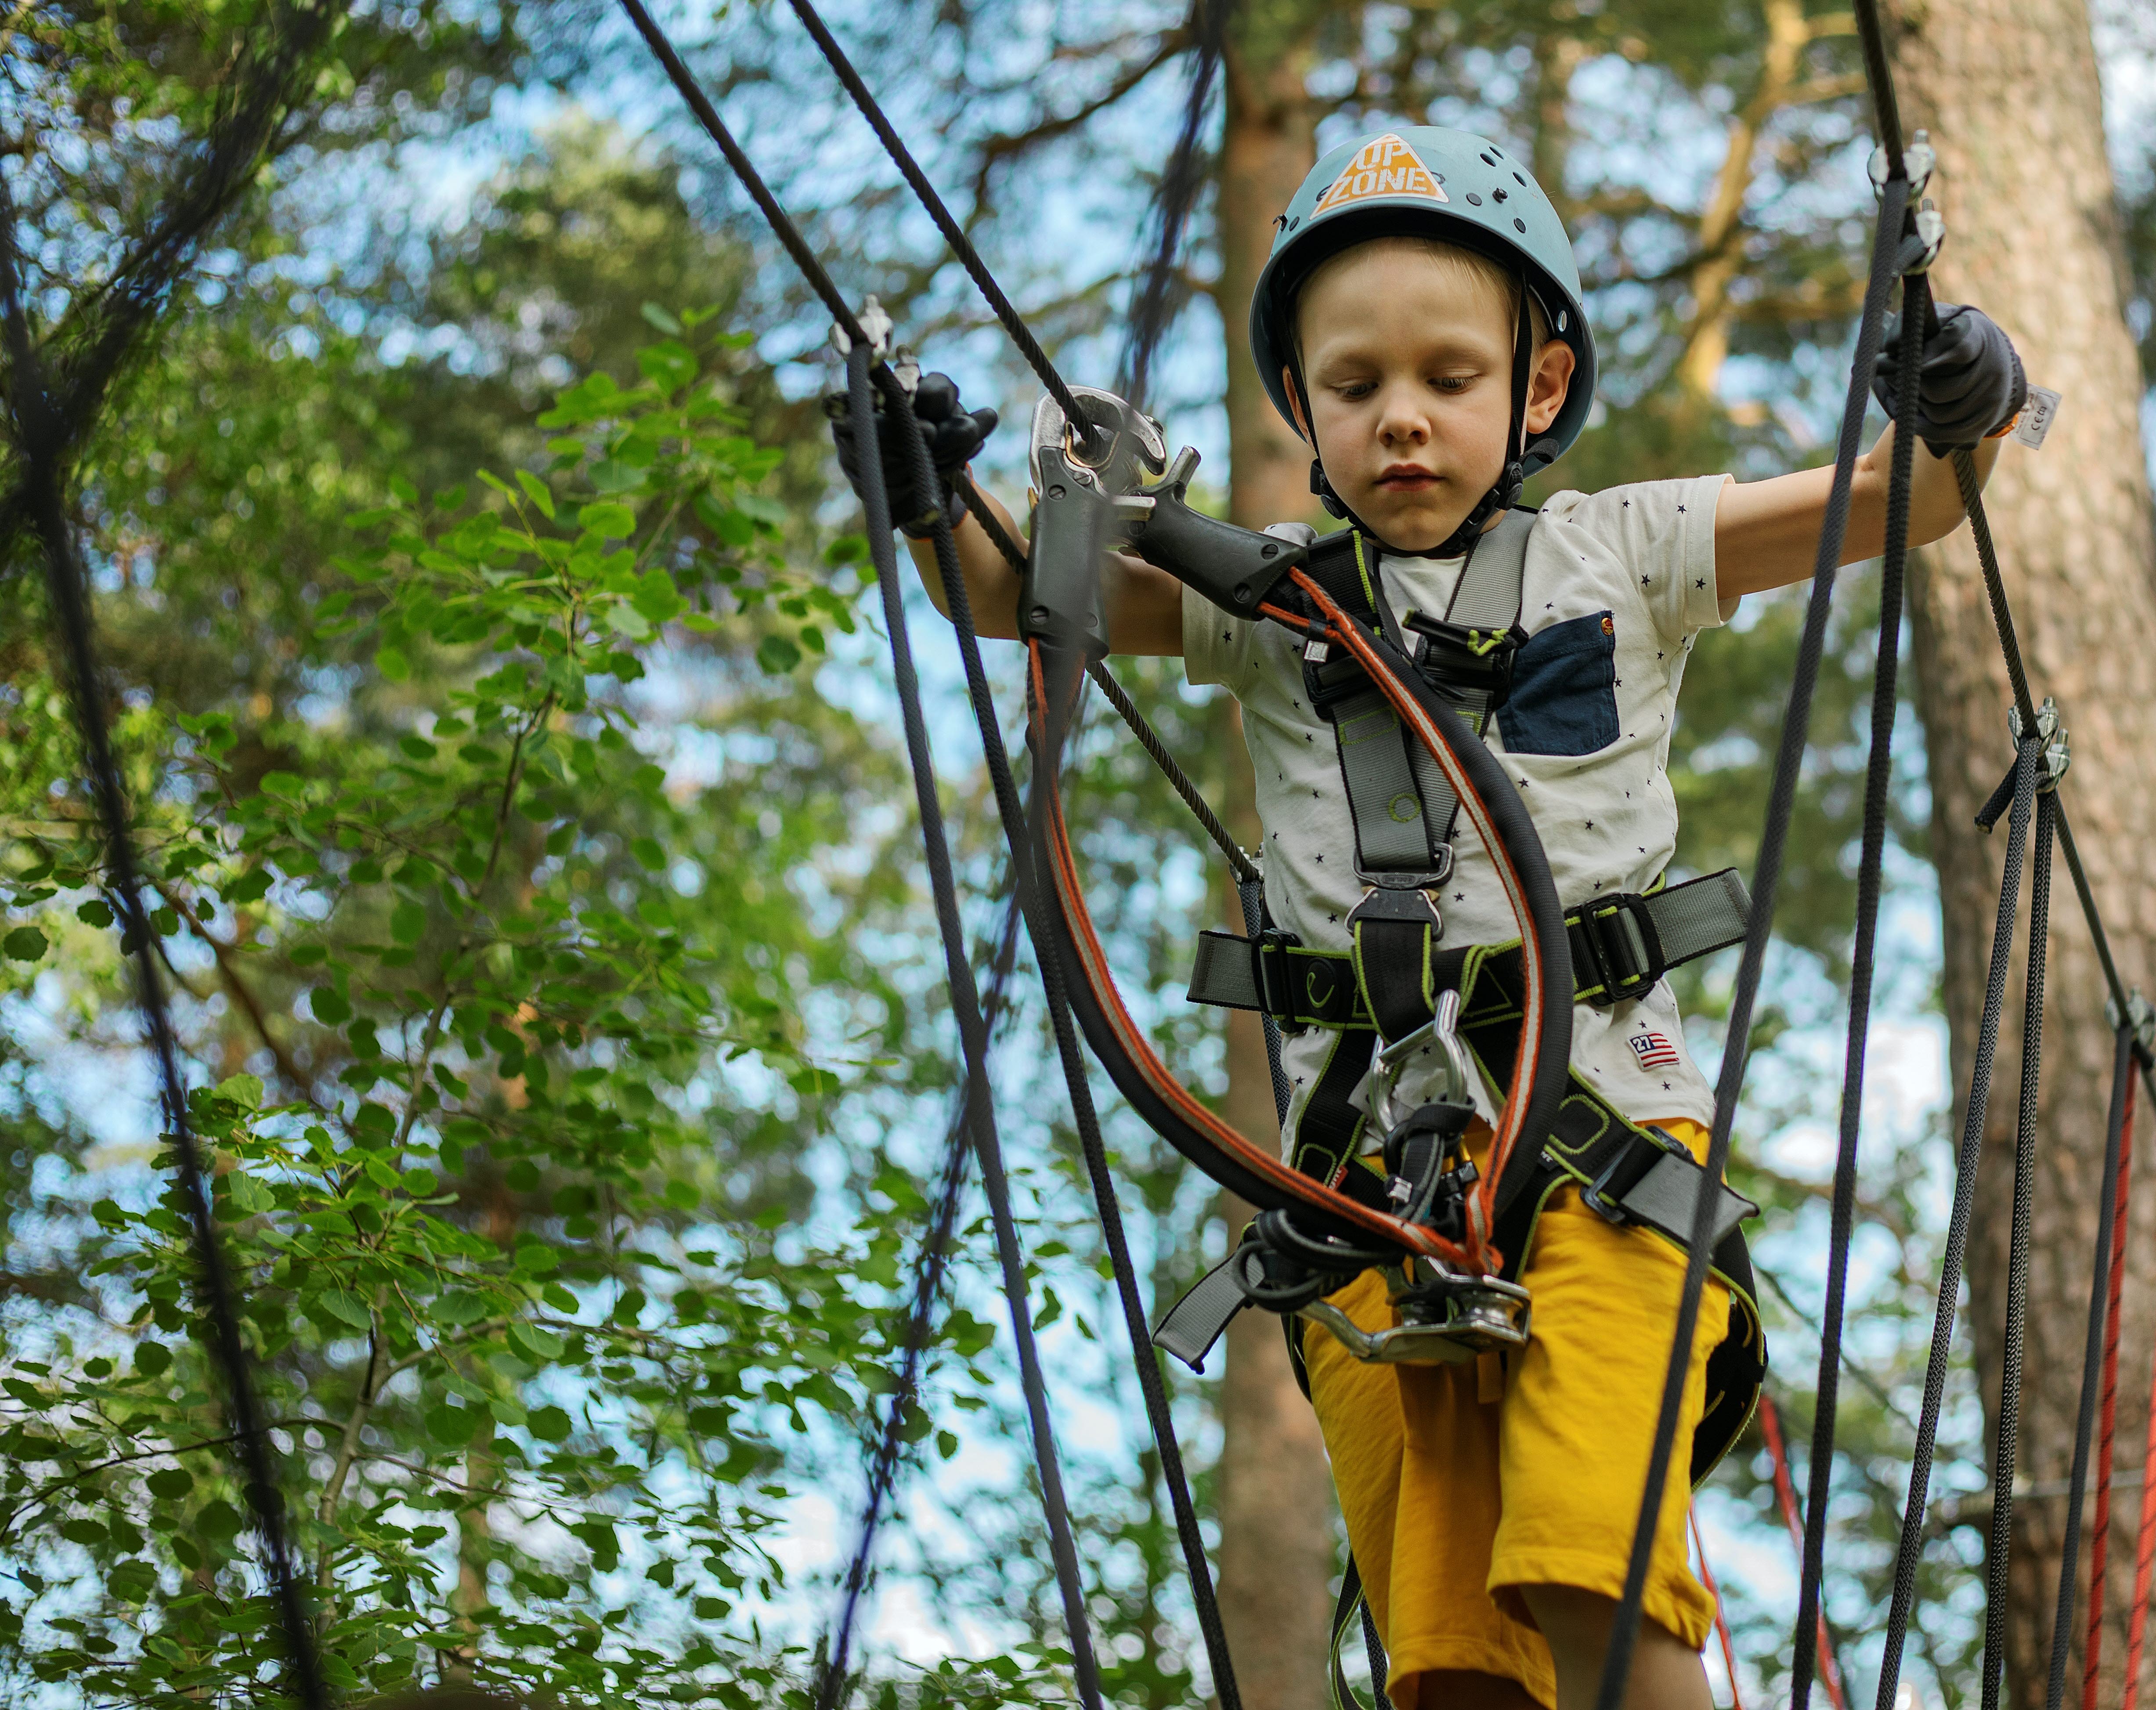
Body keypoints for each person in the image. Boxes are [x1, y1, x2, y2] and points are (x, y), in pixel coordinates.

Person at [846, 125, 2025, 1710]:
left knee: (1591, 1555)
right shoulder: (1265, 599)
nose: (1402, 415)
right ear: (1306, 411)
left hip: (1609, 1152)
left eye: (1451, 376)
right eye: (1354, 386)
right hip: (1363, 1193)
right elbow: (1007, 595)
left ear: (1536, 392)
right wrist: (931, 495)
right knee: (1452, 1661)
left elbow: (1906, 502)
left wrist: (1965, 402)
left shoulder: (1629, 549)